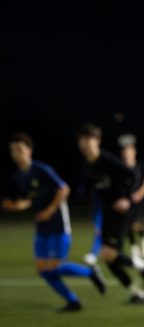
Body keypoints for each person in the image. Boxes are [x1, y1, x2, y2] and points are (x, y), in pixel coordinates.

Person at [1, 132, 105, 312]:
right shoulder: (18, 175)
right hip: (41, 227)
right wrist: (19, 205)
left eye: (20, 149)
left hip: (58, 225)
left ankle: (90, 272)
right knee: (43, 269)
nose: (16, 154)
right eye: (13, 150)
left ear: (29, 150)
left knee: (55, 267)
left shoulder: (42, 169)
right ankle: (73, 301)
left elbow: (64, 189)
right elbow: (30, 199)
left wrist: (49, 211)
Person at [78, 123, 144, 304]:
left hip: (119, 214)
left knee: (109, 254)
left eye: (89, 140)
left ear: (97, 141)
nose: (85, 144)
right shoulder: (88, 165)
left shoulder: (107, 160)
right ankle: (137, 293)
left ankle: (143, 265)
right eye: (82, 140)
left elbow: (131, 175)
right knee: (109, 260)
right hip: (107, 213)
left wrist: (126, 198)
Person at [119, 134, 144, 261]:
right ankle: (134, 248)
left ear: (134, 152)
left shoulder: (140, 167)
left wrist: (139, 194)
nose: (126, 154)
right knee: (126, 225)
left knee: (135, 224)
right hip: (125, 201)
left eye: (129, 151)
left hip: (138, 201)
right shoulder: (121, 168)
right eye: (124, 151)